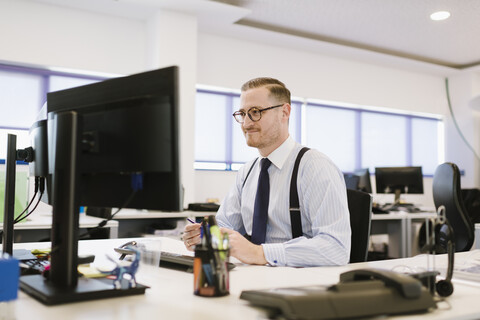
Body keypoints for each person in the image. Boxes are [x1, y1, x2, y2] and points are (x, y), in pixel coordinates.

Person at [183, 77, 351, 267]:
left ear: (284, 112)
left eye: (255, 112)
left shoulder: (315, 167)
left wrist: (259, 253)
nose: (246, 123)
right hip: (256, 278)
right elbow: (224, 227)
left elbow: (336, 249)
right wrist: (204, 236)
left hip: (300, 284)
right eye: (242, 113)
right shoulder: (247, 172)